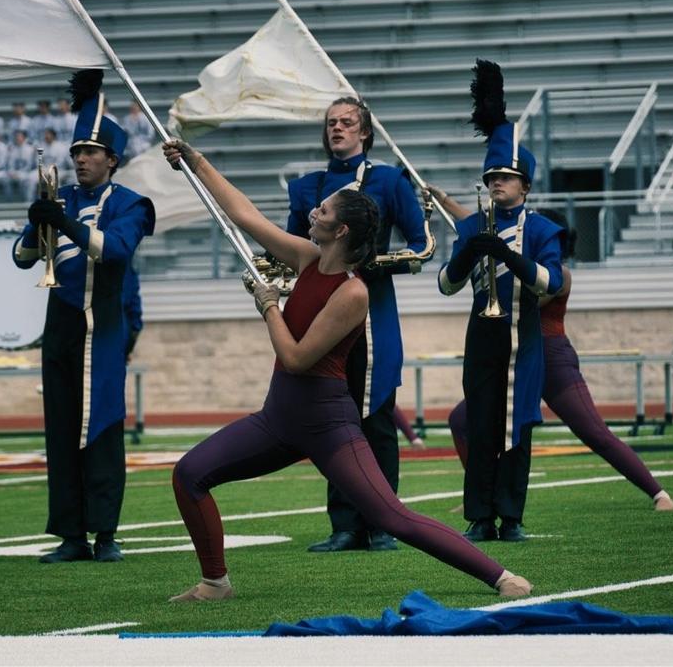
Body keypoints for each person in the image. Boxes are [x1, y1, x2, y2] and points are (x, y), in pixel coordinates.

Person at [161, 138, 531, 601]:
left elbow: (297, 358)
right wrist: (197, 161)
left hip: (328, 427)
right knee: (189, 474)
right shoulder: (308, 257)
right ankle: (215, 583)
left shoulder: (355, 293)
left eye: (324, 211)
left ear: (341, 231)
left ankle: (500, 576)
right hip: (277, 419)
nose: (314, 211)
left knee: (390, 516)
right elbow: (246, 216)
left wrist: (269, 307)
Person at [433, 200, 673, 513]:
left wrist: (499, 254)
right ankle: (486, 495)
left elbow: (523, 294)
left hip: (552, 360)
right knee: (461, 421)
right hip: (518, 359)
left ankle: (658, 493)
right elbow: (483, 224)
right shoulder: (521, 259)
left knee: (593, 432)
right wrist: (445, 201)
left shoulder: (558, 274)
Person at [12, 70, 155, 564]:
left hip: (104, 328)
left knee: (102, 428)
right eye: (76, 152)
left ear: (112, 160)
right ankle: (70, 535)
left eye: (91, 152)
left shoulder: (132, 204)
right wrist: (37, 223)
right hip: (61, 328)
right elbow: (22, 258)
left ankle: (105, 534)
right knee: (61, 428)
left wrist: (64, 223)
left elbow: (112, 250)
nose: (80, 160)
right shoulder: (61, 198)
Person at [287, 96, 431, 554]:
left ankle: (384, 521)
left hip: (374, 313)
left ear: (365, 132)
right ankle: (344, 525)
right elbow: (294, 249)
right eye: (332, 123)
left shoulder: (389, 180)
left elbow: (422, 244)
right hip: (325, 316)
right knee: (333, 420)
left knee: (376, 418)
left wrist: (368, 262)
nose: (338, 128)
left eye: (348, 122)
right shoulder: (309, 188)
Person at [437, 59, 564, 543]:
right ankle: (479, 516)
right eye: (491, 176)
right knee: (481, 424)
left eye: (506, 177)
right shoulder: (471, 227)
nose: (496, 183)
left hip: (523, 339)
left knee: (516, 428)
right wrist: (469, 250)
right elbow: (447, 286)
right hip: (481, 337)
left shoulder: (544, 228)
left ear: (525, 185)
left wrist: (509, 257)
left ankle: (511, 516)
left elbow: (550, 283)